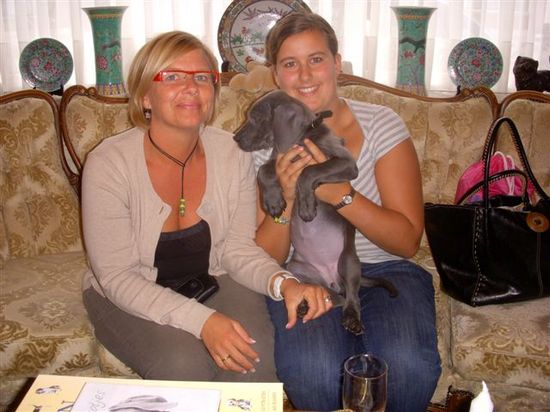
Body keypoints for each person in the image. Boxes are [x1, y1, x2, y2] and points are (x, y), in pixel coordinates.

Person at [81, 31, 331, 383]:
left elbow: (237, 250)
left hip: (214, 278)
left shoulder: (232, 152)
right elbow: (117, 277)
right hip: (126, 291)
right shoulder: (108, 163)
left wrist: (285, 284)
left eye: (201, 77)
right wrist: (203, 322)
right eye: (172, 76)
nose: (190, 87)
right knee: (182, 365)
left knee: (253, 358)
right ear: (144, 96)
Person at [253, 12, 442, 411]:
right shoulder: (264, 146)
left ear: (337, 63)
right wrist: (287, 197)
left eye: (316, 59)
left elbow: (407, 242)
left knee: (407, 369)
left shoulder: (381, 124)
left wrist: (341, 194)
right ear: (276, 75)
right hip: (303, 274)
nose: (305, 75)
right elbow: (265, 256)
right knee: (314, 373)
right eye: (290, 64)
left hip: (386, 267)